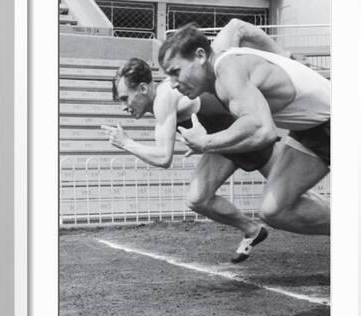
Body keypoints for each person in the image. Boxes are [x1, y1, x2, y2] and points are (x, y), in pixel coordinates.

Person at [157, 19, 330, 236]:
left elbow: (263, 130)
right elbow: (237, 26)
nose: (172, 83)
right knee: (273, 211)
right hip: (307, 130)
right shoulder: (217, 64)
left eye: (175, 72)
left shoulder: (227, 69)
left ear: (200, 56)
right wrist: (285, 55)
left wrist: (206, 142)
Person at [102, 57, 280, 262]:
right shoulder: (160, 103)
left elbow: (163, 158)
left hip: (241, 133)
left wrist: (126, 143)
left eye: (125, 98)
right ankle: (252, 229)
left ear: (142, 88)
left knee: (290, 200)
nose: (123, 107)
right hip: (219, 143)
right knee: (197, 199)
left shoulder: (163, 97)